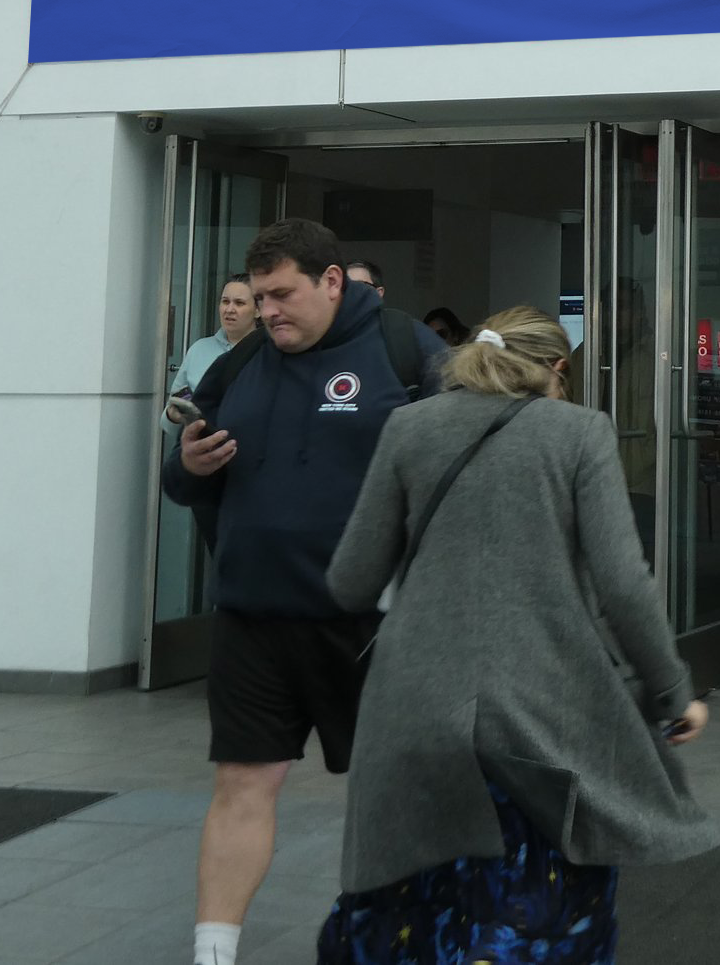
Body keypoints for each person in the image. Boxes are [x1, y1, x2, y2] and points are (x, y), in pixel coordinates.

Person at [318, 307, 720, 961]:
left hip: (414, 708)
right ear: (559, 368)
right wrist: (675, 693)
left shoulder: (408, 425)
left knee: (412, 911)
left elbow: (350, 580)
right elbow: (624, 583)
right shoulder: (578, 432)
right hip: (539, 717)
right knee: (533, 910)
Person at [163, 219, 451, 965]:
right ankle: (213, 952)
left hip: (372, 622)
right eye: (258, 297)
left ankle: (408, 940)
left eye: (281, 294)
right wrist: (188, 464)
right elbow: (180, 476)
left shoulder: (407, 351)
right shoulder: (240, 364)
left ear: (332, 281)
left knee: (395, 795)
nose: (267, 312)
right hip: (253, 616)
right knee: (241, 784)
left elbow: (466, 467)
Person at [170, 274, 259, 425]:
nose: (229, 309)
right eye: (225, 302)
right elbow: (169, 415)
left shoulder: (267, 352)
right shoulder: (199, 349)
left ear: (258, 310)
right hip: (200, 442)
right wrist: (173, 415)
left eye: (239, 303)